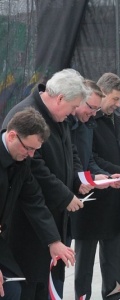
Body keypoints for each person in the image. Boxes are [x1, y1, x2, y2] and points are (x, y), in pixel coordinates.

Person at [2, 69, 92, 299]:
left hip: (48, 219)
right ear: (60, 98)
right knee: (26, 286)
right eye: (73, 107)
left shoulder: (56, 118)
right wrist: (64, 196)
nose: (73, 113)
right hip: (25, 228)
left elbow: (69, 151)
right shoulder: (25, 116)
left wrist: (77, 179)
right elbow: (36, 169)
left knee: (48, 284)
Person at [73, 73, 120, 300]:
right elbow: (91, 157)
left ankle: (112, 293)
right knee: (85, 258)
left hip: (116, 194)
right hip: (92, 199)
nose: (118, 104)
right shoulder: (88, 122)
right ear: (101, 94)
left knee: (113, 252)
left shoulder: (119, 120)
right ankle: (82, 296)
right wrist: (115, 173)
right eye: (114, 98)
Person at [0, 108, 76, 299]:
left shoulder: (22, 161)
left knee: (13, 290)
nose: (32, 155)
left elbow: (34, 200)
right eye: (28, 148)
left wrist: (54, 240)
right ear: (11, 136)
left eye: (35, 150)